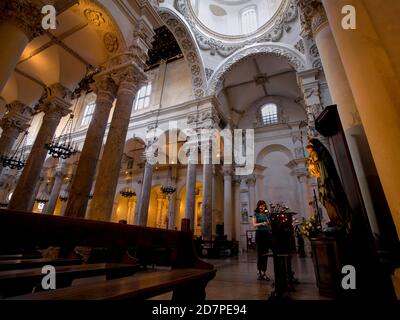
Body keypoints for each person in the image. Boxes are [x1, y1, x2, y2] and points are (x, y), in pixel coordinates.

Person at [252, 200, 272, 281]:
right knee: (260, 254)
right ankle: (259, 272)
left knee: (265, 254)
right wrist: (262, 223)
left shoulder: (266, 214)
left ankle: (264, 272)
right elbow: (254, 225)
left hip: (266, 234)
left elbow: (269, 224)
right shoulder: (255, 213)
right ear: (258, 206)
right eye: (260, 206)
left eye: (263, 206)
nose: (262, 207)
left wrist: (269, 223)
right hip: (259, 234)